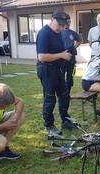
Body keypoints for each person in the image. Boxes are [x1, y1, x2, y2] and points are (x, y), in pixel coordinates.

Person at [36, 10, 76, 138]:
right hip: (46, 69)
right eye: (59, 24)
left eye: (64, 25)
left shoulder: (59, 33)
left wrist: (67, 52)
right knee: (50, 99)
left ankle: (65, 120)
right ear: (52, 19)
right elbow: (41, 56)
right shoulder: (44, 33)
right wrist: (61, 55)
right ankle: (49, 125)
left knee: (64, 95)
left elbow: (57, 50)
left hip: (58, 69)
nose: (62, 27)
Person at [62, 14, 82, 92]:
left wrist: (74, 47)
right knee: (61, 75)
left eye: (69, 22)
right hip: (62, 57)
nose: (68, 23)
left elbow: (80, 40)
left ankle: (68, 92)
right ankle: (62, 92)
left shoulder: (73, 33)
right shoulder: (59, 32)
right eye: (66, 22)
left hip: (71, 57)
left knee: (70, 76)